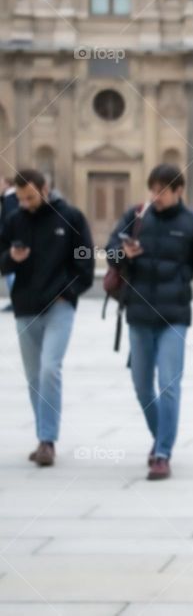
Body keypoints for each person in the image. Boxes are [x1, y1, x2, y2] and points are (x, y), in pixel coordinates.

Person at [105, 164, 193, 480]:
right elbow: (110, 253)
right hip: (138, 314)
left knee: (168, 384)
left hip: (174, 317)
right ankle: (161, 438)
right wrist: (123, 253)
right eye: (153, 189)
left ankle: (162, 453)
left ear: (178, 190)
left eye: (162, 190)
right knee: (142, 386)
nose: (156, 196)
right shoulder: (137, 216)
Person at [0, 169, 94, 466]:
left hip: (59, 305)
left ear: (44, 189)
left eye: (29, 197)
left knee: (50, 368)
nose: (24, 203)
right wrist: (10, 260)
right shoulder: (14, 219)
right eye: (20, 198)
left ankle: (48, 440)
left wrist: (71, 291)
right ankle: (43, 436)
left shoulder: (71, 217)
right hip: (26, 306)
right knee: (33, 377)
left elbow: (85, 256)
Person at [1, 174, 18, 312]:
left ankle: (16, 301)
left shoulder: (9, 198)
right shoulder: (8, 198)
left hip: (9, 242)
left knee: (10, 271)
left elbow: (10, 221)